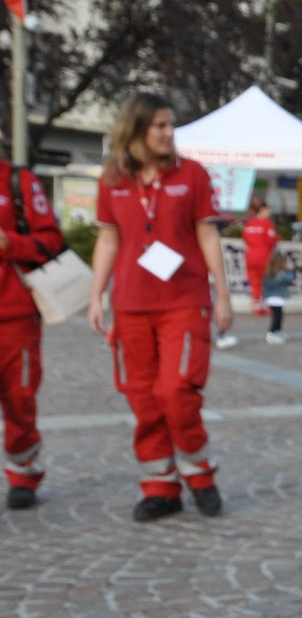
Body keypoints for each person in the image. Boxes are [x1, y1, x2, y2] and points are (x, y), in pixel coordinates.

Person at [88, 92, 231, 521]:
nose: (170, 133)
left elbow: (208, 236)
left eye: (171, 125)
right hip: (131, 306)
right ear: (136, 130)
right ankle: (160, 487)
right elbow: (108, 239)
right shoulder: (113, 180)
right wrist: (96, 297)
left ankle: (200, 475)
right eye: (161, 126)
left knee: (176, 393)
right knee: (143, 399)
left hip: (183, 302)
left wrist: (222, 294)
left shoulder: (193, 175)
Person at [0, 138, 67, 510]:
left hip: (14, 315)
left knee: (19, 399)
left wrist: (10, 242)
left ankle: (23, 472)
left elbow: (51, 240)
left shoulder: (17, 182)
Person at [241, 197, 277, 316]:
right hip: (264, 257)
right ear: (262, 210)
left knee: (255, 282)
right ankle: (266, 305)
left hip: (250, 256)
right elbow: (272, 240)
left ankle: (256, 305)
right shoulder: (267, 224)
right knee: (266, 281)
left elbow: (245, 239)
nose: (269, 212)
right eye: (268, 210)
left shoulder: (249, 224)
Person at [262, 248, 293, 344]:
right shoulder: (280, 274)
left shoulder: (269, 273)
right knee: (277, 317)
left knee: (279, 316)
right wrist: (288, 271)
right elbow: (290, 279)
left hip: (273, 297)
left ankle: (278, 331)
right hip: (275, 298)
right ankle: (271, 333)